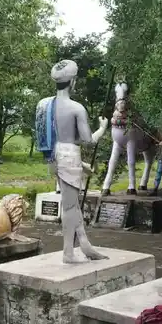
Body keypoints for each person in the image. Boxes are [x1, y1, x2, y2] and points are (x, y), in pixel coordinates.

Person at [35, 59, 110, 263]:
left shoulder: (44, 105)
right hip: (68, 156)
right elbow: (86, 140)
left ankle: (85, 244)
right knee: (69, 206)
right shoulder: (77, 108)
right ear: (73, 82)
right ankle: (68, 252)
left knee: (73, 204)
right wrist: (102, 128)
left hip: (54, 157)